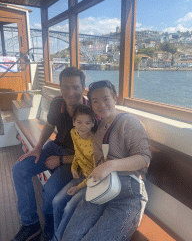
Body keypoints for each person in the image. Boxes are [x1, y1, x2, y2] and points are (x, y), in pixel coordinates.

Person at [61, 80, 152, 241]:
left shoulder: (129, 122)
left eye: (106, 99)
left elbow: (144, 159)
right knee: (69, 236)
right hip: (102, 190)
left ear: (115, 99)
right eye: (95, 101)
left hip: (128, 195)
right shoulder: (99, 131)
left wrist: (111, 165)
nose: (101, 104)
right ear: (91, 105)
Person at [11, 67, 91, 241]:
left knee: (50, 192)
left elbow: (90, 154)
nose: (71, 93)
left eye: (76, 87)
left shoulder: (91, 112)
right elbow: (49, 125)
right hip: (54, 147)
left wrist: (61, 160)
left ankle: (49, 229)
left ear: (84, 87)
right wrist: (38, 147)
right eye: (65, 87)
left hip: (75, 158)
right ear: (60, 88)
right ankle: (30, 224)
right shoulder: (57, 103)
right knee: (19, 169)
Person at [52, 104, 96, 241]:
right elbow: (77, 153)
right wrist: (73, 168)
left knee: (68, 208)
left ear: (93, 124)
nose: (83, 126)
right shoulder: (74, 132)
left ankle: (57, 238)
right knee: (56, 202)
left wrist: (79, 186)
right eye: (79, 122)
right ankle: (57, 234)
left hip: (92, 181)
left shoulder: (95, 143)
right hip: (80, 175)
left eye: (88, 123)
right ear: (73, 122)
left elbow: (95, 172)